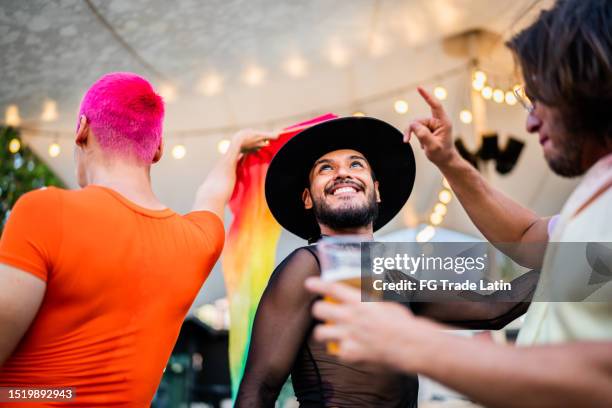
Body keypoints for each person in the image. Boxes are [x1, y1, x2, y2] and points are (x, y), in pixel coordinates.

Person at [306, 0, 612, 406]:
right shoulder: (592, 201)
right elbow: (525, 235)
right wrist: (449, 161)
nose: (530, 121)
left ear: (589, 84)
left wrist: (416, 344)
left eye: (540, 98)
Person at [0, 72, 276, 407]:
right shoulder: (197, 242)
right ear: (158, 148)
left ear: (81, 129)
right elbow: (212, 197)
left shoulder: (44, 211)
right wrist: (234, 149)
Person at [234, 117, 538, 407]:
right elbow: (259, 388)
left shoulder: (391, 279)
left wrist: (578, 262)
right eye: (325, 168)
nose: (343, 173)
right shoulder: (308, 266)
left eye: (356, 164)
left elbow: (493, 308)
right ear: (307, 199)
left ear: (376, 190)